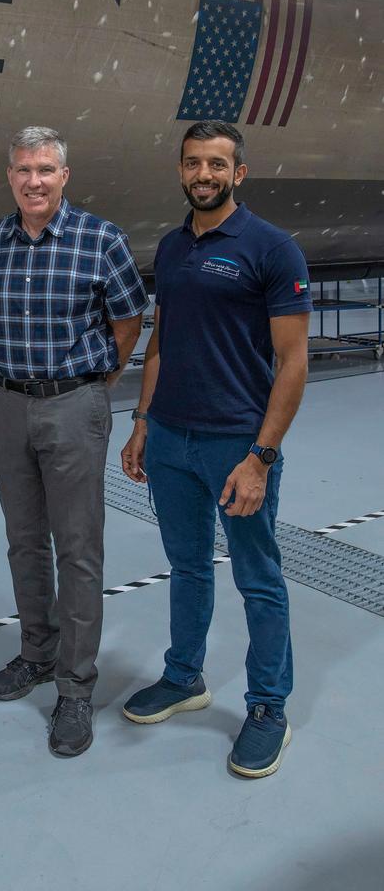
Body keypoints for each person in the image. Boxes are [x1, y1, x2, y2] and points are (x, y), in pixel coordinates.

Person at [120, 120, 311, 778]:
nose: (204, 174)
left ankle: (267, 709)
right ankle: (183, 678)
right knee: (187, 564)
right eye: (193, 163)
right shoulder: (172, 248)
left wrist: (259, 456)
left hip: (235, 442)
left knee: (257, 575)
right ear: (180, 169)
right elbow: (161, 342)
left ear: (239, 173)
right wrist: (142, 422)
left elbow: (291, 363)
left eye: (217, 165)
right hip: (170, 437)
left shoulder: (271, 248)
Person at [0, 126, 147, 757]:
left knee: (77, 549)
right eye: (23, 170)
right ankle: (36, 654)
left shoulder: (101, 240)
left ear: (64, 176)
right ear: (10, 175)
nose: (34, 181)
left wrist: (94, 386)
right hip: (8, 403)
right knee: (24, 542)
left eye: (45, 170)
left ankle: (75, 688)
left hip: (75, 404)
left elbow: (129, 322)